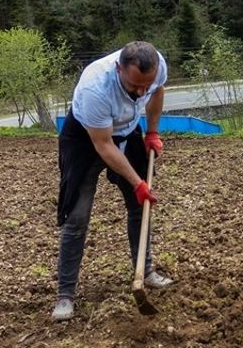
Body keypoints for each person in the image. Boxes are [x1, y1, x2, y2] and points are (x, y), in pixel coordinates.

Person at [52, 41, 173, 321]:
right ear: (119, 69)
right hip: (87, 138)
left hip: (127, 130)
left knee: (139, 207)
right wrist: (137, 182)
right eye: (134, 86)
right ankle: (65, 295)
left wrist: (152, 132)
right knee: (77, 215)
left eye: (147, 84)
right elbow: (103, 145)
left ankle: (145, 270)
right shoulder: (96, 87)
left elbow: (157, 92)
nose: (141, 91)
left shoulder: (157, 68)